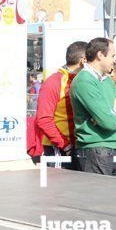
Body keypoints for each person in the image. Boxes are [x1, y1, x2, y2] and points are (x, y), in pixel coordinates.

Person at [70, 38, 116, 176]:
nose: (114, 61)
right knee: (99, 197)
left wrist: (111, 113)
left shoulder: (107, 81)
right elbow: (108, 122)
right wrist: (114, 113)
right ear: (100, 55)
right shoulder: (84, 81)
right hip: (94, 150)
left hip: (110, 148)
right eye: (112, 56)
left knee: (114, 197)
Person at [34, 41, 87, 169]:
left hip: (79, 147)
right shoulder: (54, 82)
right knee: (59, 188)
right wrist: (66, 145)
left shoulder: (81, 81)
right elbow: (44, 119)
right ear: (84, 60)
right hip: (59, 148)